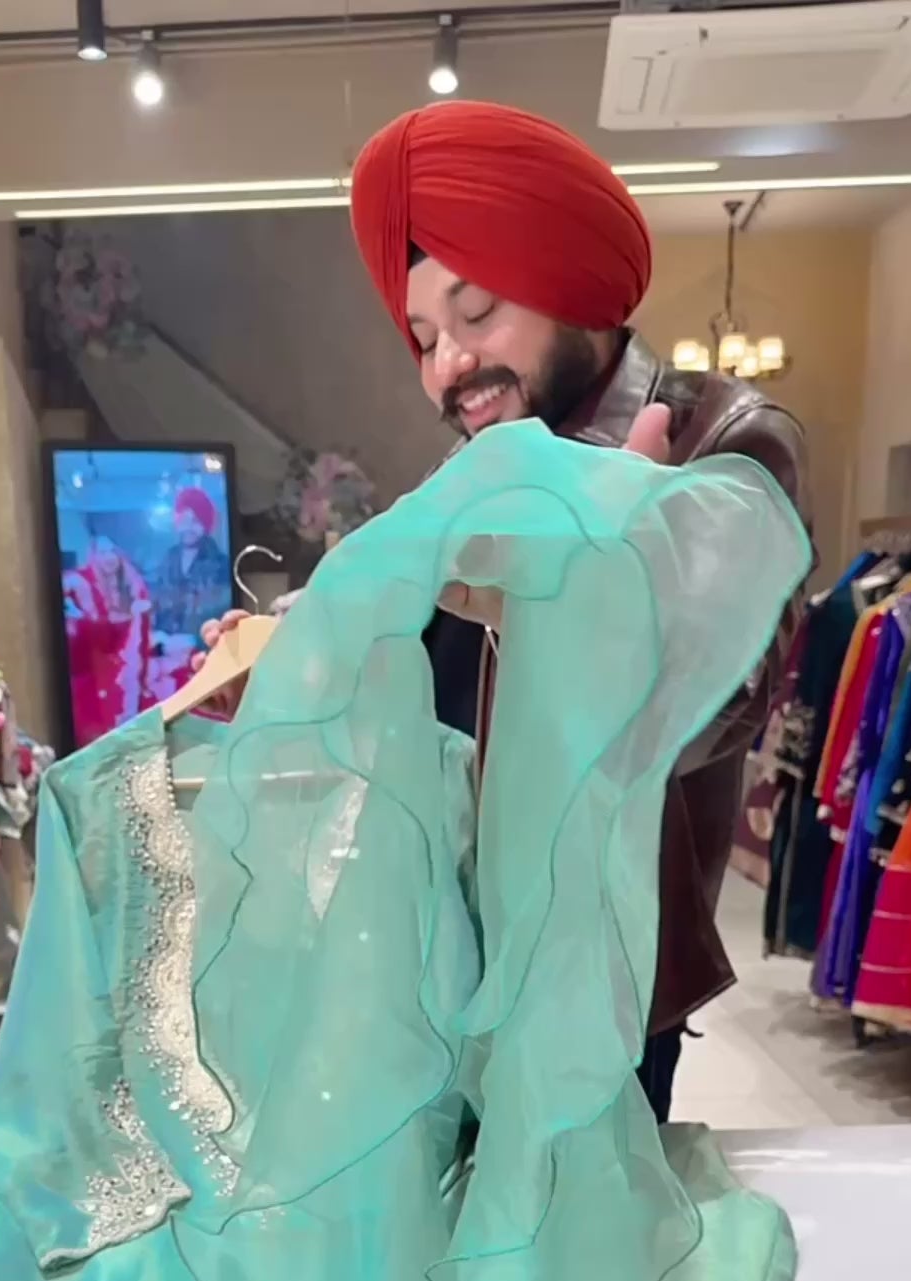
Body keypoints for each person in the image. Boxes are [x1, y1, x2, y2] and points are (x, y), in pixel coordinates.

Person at [204, 102, 812, 1122]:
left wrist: (573, 584)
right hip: (445, 953)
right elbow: (402, 582)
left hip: (599, 978)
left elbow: (718, 703)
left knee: (570, 1218)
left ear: (567, 281)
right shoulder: (488, 457)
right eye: (423, 338)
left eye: (477, 312)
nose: (447, 365)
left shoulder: (724, 442)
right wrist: (298, 640)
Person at [63, 531, 152, 746]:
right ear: (93, 555)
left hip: (127, 663)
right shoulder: (80, 582)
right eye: (102, 552)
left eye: (112, 551)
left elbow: (139, 635)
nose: (109, 557)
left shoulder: (131, 583)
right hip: (94, 666)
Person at [152, 485, 228, 652]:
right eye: (184, 520)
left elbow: (225, 619)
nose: (188, 527)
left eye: (195, 521)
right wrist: (156, 635)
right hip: (168, 655)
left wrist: (194, 641)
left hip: (207, 654)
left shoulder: (222, 565)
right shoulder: (167, 560)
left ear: (205, 525)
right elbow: (157, 605)